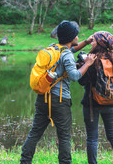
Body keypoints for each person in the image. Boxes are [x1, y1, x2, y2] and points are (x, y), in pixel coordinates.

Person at [20, 21, 96, 164]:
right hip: (60, 100)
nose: (78, 37)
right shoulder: (66, 55)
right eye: (76, 35)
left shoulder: (54, 48)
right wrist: (87, 63)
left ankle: (25, 161)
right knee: (64, 136)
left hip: (43, 98)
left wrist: (86, 42)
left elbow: (70, 51)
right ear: (71, 37)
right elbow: (74, 76)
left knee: (35, 132)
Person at [78, 31, 113, 164]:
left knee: (92, 138)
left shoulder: (92, 61)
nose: (91, 42)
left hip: (92, 105)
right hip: (111, 103)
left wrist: (83, 63)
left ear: (99, 44)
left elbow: (81, 81)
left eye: (93, 41)